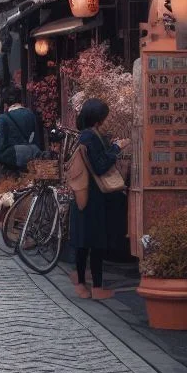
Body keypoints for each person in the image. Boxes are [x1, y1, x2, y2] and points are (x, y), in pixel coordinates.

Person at [71, 98, 128, 300]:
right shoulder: (90, 137)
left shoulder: (85, 135)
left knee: (83, 240)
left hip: (84, 192)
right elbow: (100, 166)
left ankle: (82, 283)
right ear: (99, 118)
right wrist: (116, 148)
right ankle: (94, 286)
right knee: (94, 241)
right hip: (93, 195)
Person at [0, 89, 44, 178]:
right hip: (30, 161)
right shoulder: (31, 115)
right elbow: (36, 139)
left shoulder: (3, 118)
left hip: (11, 163)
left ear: (5, 104)